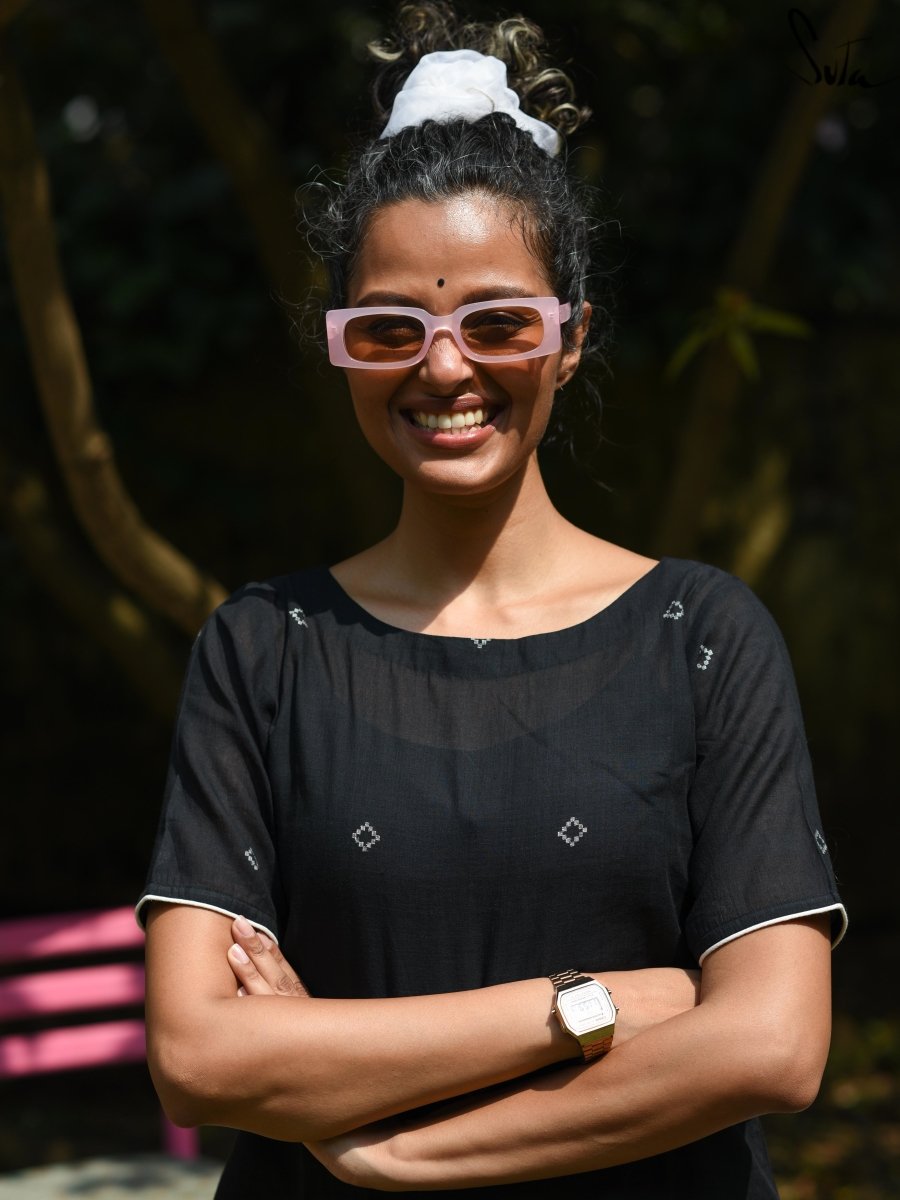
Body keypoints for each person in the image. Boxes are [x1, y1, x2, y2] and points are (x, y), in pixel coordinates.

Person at [138, 4, 847, 1196]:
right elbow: (198, 1056)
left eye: (498, 323)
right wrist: (596, 1003)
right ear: (342, 347)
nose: (445, 365)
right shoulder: (264, 649)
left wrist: (400, 1153)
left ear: (571, 339)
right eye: (389, 328)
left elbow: (772, 1046)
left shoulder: (704, 638)